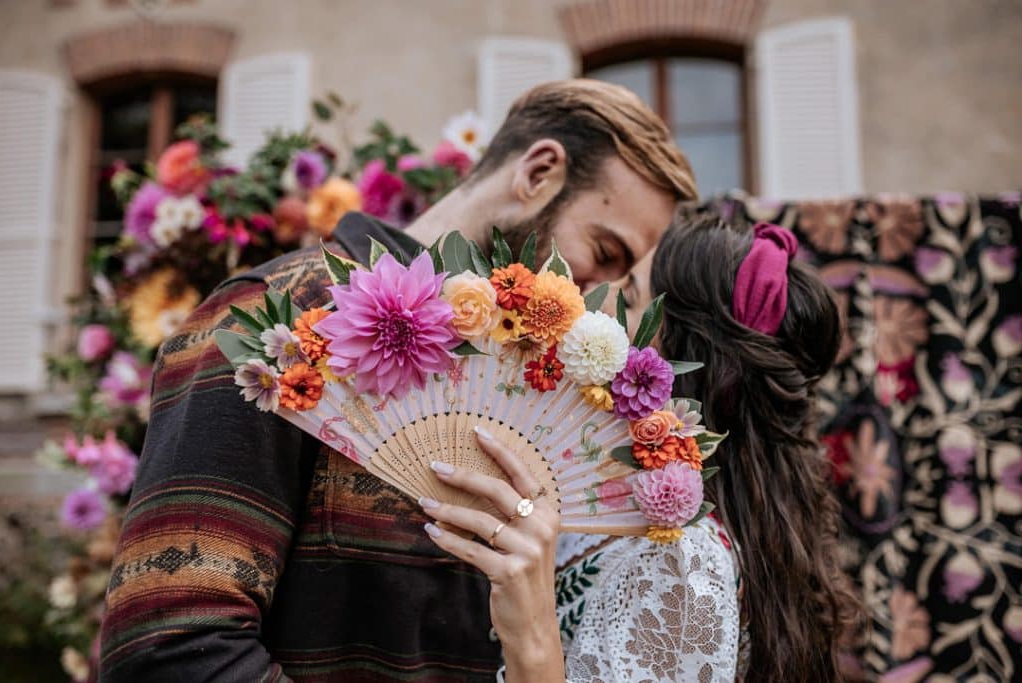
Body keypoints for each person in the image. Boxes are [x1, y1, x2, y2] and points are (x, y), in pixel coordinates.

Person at [98, 79, 696, 682]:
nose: (601, 294)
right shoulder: (278, 318)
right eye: (604, 250)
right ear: (538, 172)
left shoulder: (523, 391)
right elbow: (170, 649)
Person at [424, 213, 861, 681]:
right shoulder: (606, 500)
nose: (598, 294)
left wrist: (531, 638)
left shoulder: (683, 563)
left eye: (629, 293)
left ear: (671, 362)